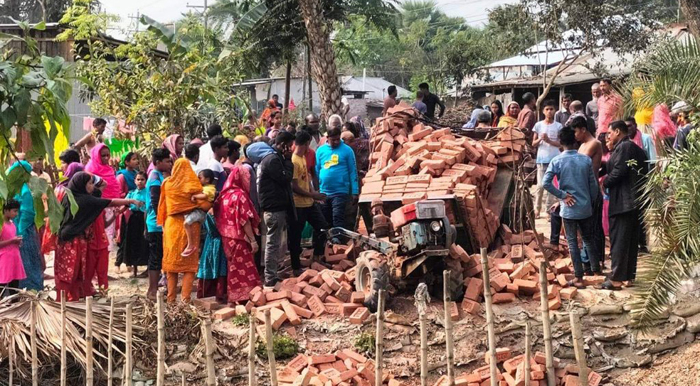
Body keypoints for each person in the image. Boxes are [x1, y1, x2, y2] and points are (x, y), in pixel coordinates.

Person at [55, 172, 141, 301]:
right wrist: (131, 200)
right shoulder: (84, 200)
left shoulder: (70, 196)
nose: (92, 186)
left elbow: (102, 191)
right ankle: (64, 301)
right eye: (89, 183)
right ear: (81, 185)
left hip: (70, 239)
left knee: (75, 272)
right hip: (72, 241)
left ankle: (70, 300)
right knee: (71, 272)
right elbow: (110, 202)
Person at [543, 125, 601, 287]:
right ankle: (596, 272)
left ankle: (579, 277)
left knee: (572, 242)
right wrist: (589, 201)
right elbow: (593, 185)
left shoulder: (557, 160)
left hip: (569, 209)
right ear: (575, 141)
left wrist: (562, 196)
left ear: (561, 142)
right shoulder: (585, 160)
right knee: (588, 239)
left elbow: (545, 183)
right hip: (585, 207)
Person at [601, 121, 648, 290]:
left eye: (610, 133)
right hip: (633, 201)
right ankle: (628, 276)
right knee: (629, 240)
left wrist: (604, 182)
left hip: (623, 201)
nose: (608, 136)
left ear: (618, 132)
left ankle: (616, 278)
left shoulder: (624, 147)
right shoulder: (633, 148)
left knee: (620, 240)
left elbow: (619, 171)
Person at [157, 158, 211, 303]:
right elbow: (205, 206)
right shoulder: (192, 185)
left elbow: (162, 206)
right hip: (190, 226)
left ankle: (171, 299)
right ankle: (185, 301)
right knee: (189, 267)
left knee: (171, 265)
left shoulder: (166, 184)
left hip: (171, 225)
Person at [215, 165, 262, 304]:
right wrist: (253, 240)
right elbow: (244, 220)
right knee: (244, 267)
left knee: (232, 266)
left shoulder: (224, 195)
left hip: (226, 237)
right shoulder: (240, 196)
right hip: (240, 237)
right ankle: (245, 297)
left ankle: (232, 296)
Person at [288, 131, 328, 276]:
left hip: (310, 203)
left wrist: (314, 194)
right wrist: (313, 194)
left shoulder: (303, 158)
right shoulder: (294, 161)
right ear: (305, 144)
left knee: (323, 228)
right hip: (298, 205)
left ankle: (317, 258)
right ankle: (296, 266)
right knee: (295, 236)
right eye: (308, 145)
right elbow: (294, 186)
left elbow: (307, 178)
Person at [258, 131, 295, 287]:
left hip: (276, 207)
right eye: (290, 145)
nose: (292, 149)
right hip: (273, 209)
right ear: (282, 145)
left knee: (274, 243)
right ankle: (270, 278)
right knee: (272, 244)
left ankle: (271, 275)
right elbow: (286, 178)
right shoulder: (273, 160)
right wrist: (288, 160)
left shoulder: (275, 158)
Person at [9, 161, 44, 292]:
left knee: (26, 263)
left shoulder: (25, 190)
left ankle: (30, 291)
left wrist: (19, 231)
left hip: (23, 232)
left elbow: (28, 213)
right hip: (13, 231)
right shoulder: (13, 188)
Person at [316, 127, 359, 229]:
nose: (336, 142)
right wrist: (316, 190)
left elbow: (353, 171)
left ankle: (337, 242)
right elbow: (317, 170)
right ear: (327, 138)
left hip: (340, 191)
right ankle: (328, 242)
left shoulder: (347, 151)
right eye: (333, 140)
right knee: (326, 220)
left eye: (337, 139)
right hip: (324, 192)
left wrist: (354, 191)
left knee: (338, 218)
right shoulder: (320, 151)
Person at [145, 149, 173, 300]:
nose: (169, 163)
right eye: (167, 161)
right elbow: (156, 203)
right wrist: (162, 222)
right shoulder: (155, 177)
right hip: (157, 224)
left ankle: (155, 288)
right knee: (156, 257)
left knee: (159, 256)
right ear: (158, 162)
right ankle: (152, 290)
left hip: (156, 223)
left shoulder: (159, 176)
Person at [532, 100, 563, 218]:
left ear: (555, 111)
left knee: (552, 186)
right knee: (540, 186)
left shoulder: (558, 126)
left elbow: (560, 144)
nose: (549, 111)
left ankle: (549, 210)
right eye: (547, 109)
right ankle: (537, 209)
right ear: (543, 111)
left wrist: (549, 141)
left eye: (551, 109)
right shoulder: (538, 125)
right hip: (541, 159)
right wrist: (541, 139)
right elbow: (533, 143)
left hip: (555, 159)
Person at [182, 169, 217, 257]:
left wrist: (195, 196)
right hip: (199, 211)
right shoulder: (204, 187)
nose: (198, 180)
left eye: (200, 178)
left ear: (207, 180)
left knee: (186, 223)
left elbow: (205, 196)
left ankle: (190, 244)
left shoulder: (210, 188)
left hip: (201, 212)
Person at [115, 152, 139, 272]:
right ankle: (118, 264)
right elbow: (118, 194)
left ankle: (130, 262)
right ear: (126, 162)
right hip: (125, 210)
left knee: (132, 238)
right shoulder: (121, 176)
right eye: (133, 159)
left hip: (135, 209)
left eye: (136, 159)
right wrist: (131, 195)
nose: (136, 161)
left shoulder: (136, 174)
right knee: (123, 237)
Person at [123, 172, 149, 277]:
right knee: (133, 242)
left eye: (142, 179)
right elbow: (125, 205)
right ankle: (134, 268)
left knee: (145, 242)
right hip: (133, 219)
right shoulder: (132, 193)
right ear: (134, 181)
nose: (140, 182)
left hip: (144, 218)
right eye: (138, 179)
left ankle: (147, 268)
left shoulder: (148, 193)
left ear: (146, 181)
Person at [0, 199, 25, 297]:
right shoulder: (1, 225)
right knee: (2, 284)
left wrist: (17, 242)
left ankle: (14, 306)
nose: (16, 213)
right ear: (6, 210)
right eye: (14, 211)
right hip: (4, 259)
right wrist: (12, 241)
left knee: (14, 286)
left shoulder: (12, 224)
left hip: (14, 258)